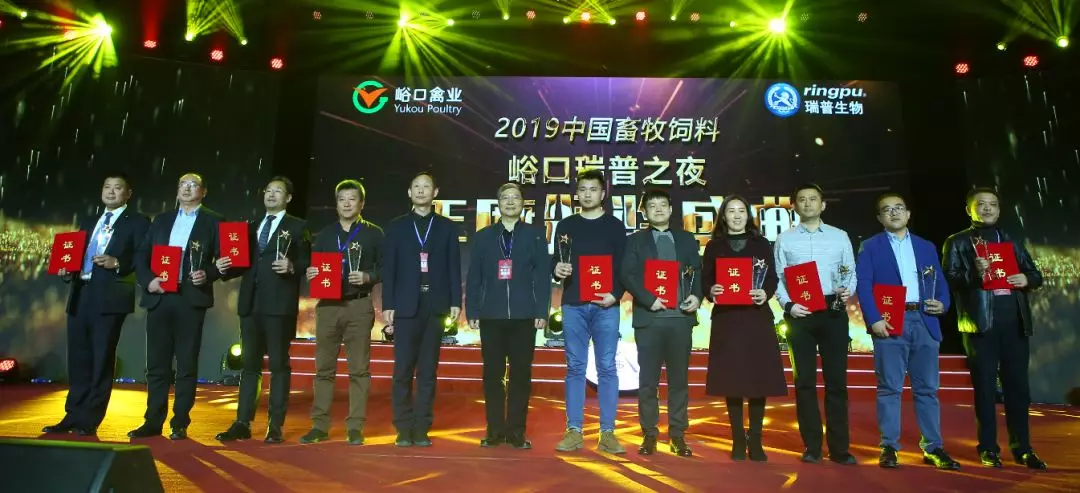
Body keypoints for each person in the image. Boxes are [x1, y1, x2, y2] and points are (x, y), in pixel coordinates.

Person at [943, 187, 1047, 470]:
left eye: (993, 204)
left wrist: (1027, 279)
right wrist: (974, 272)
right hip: (981, 325)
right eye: (981, 204)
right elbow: (949, 280)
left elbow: (1035, 274)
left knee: (1018, 389)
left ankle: (1023, 449)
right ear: (969, 209)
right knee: (985, 389)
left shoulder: (1011, 240)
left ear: (999, 209)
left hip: (1015, 323)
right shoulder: (957, 242)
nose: (987, 208)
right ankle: (988, 448)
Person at [855, 193, 960, 470]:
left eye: (899, 208)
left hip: (924, 319)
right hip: (890, 321)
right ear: (880, 218)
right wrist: (874, 319)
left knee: (927, 389)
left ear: (908, 213)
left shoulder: (926, 246)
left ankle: (934, 447)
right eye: (887, 209)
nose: (894, 213)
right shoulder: (870, 246)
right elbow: (863, 285)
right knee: (890, 387)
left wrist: (943, 304)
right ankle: (889, 446)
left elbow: (939, 281)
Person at [43, 173, 150, 436]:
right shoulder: (90, 221)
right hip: (81, 293)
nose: (111, 192)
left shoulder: (138, 221)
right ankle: (72, 415)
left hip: (110, 296)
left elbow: (143, 256)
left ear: (128, 194)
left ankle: (90, 418)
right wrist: (66, 270)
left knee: (101, 358)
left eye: (118, 188)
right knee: (78, 357)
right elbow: (76, 254)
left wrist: (119, 263)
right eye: (107, 187)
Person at [214, 177, 309, 444]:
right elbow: (240, 263)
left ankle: (275, 425)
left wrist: (292, 267)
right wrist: (223, 266)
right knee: (249, 366)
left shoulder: (298, 226)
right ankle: (242, 422)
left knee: (278, 365)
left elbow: (307, 261)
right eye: (268, 191)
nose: (271, 195)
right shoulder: (250, 227)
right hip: (250, 303)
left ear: (288, 198)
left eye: (278, 191)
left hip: (278, 305)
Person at [130, 172, 223, 440]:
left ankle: (180, 421)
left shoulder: (214, 221)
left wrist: (209, 274)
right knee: (156, 364)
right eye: (182, 184)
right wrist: (149, 281)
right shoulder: (161, 220)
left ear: (204, 191)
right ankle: (152, 421)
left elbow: (226, 260)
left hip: (190, 297)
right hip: (160, 296)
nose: (187, 188)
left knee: (186, 364)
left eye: (193, 184)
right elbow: (142, 255)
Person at [773, 183, 856, 464]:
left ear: (823, 205)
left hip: (833, 310)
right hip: (800, 313)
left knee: (837, 382)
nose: (807, 203)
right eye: (802, 199)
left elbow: (851, 272)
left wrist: (847, 291)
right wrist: (788, 305)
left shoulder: (839, 236)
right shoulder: (785, 239)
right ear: (794, 206)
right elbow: (778, 278)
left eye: (813, 199)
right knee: (804, 381)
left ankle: (840, 448)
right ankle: (812, 447)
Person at [296, 179, 383, 445]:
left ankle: (355, 426)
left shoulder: (374, 234)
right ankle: (319, 425)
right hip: (328, 307)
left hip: (359, 305)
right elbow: (313, 268)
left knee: (359, 370)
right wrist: (311, 272)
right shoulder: (324, 235)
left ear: (361, 203)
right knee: (324, 369)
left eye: (352, 199)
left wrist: (368, 276)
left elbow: (386, 267)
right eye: (342, 199)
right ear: (336, 204)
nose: (346, 204)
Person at [466, 183, 551, 449]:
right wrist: (472, 309)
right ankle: (494, 431)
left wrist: (541, 311)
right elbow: (474, 276)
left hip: (525, 316)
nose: (510, 202)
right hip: (491, 315)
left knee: (521, 376)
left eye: (515, 197)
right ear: (498, 203)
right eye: (505, 198)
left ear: (523, 203)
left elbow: (542, 277)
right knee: (492, 375)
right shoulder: (483, 236)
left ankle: (516, 432)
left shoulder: (535, 236)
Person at [701, 195, 785, 462]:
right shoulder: (714, 246)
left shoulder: (762, 244)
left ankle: (756, 439)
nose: (736, 216)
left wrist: (765, 293)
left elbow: (772, 277)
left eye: (741, 211)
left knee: (758, 379)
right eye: (731, 211)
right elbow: (705, 280)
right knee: (732, 380)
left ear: (748, 215)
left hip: (756, 318)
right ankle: (738, 438)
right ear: (723, 216)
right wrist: (711, 290)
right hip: (727, 320)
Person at [381, 172, 461, 447]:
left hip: (435, 305)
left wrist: (455, 301)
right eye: (416, 186)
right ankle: (403, 427)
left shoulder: (447, 227)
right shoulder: (397, 226)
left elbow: (453, 266)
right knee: (402, 369)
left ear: (435, 192)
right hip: (405, 305)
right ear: (409, 192)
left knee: (427, 371)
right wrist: (388, 303)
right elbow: (389, 268)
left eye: (426, 186)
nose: (421, 191)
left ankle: (422, 427)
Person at [620, 188, 702, 457]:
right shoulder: (635, 241)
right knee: (648, 381)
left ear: (670, 209)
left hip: (680, 319)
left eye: (662, 204)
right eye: (652, 205)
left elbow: (697, 272)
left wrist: (697, 296)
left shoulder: (686, 239)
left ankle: (678, 435)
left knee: (679, 381)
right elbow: (627, 274)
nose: (658, 209)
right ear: (644, 212)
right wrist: (648, 299)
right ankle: (649, 434)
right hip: (650, 319)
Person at [552, 169, 628, 454]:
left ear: (603, 193)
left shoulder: (614, 226)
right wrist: (557, 269)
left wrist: (616, 294)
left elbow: (624, 266)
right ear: (577, 193)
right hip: (573, 304)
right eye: (582, 189)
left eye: (593, 189)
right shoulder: (566, 225)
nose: (587, 194)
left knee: (607, 367)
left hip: (606, 306)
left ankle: (608, 433)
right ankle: (574, 431)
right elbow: (556, 260)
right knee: (575, 367)